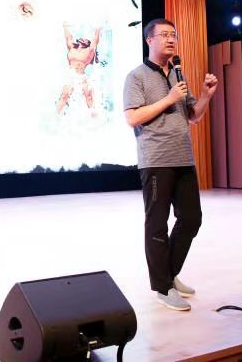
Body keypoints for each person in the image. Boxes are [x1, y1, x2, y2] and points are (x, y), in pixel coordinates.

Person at [123, 18, 218, 311]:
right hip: (156, 161)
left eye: (173, 35)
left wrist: (205, 94)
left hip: (183, 158)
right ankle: (163, 287)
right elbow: (132, 118)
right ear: (149, 40)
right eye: (164, 35)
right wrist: (169, 98)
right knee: (157, 224)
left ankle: (169, 274)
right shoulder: (136, 76)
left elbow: (193, 116)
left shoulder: (178, 73)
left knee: (191, 218)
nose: (171, 39)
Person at [57, 22, 101, 116]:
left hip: (81, 77)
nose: (83, 39)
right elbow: (68, 37)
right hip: (70, 75)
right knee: (64, 95)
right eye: (82, 39)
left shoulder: (89, 51)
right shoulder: (72, 48)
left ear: (87, 43)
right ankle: (55, 115)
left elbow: (95, 39)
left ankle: (95, 118)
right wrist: (65, 25)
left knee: (88, 97)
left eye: (86, 40)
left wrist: (98, 28)